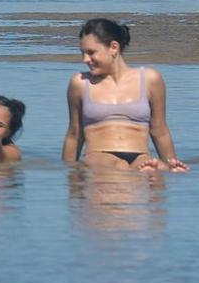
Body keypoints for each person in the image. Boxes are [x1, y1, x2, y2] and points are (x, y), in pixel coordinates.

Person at [62, 17, 188, 172]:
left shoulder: (150, 79)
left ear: (114, 47)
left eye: (91, 52)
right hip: (99, 156)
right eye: (82, 53)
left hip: (140, 157)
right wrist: (69, 174)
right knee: (118, 167)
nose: (85, 59)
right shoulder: (80, 83)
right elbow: (74, 135)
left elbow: (159, 130)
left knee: (158, 168)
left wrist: (171, 164)